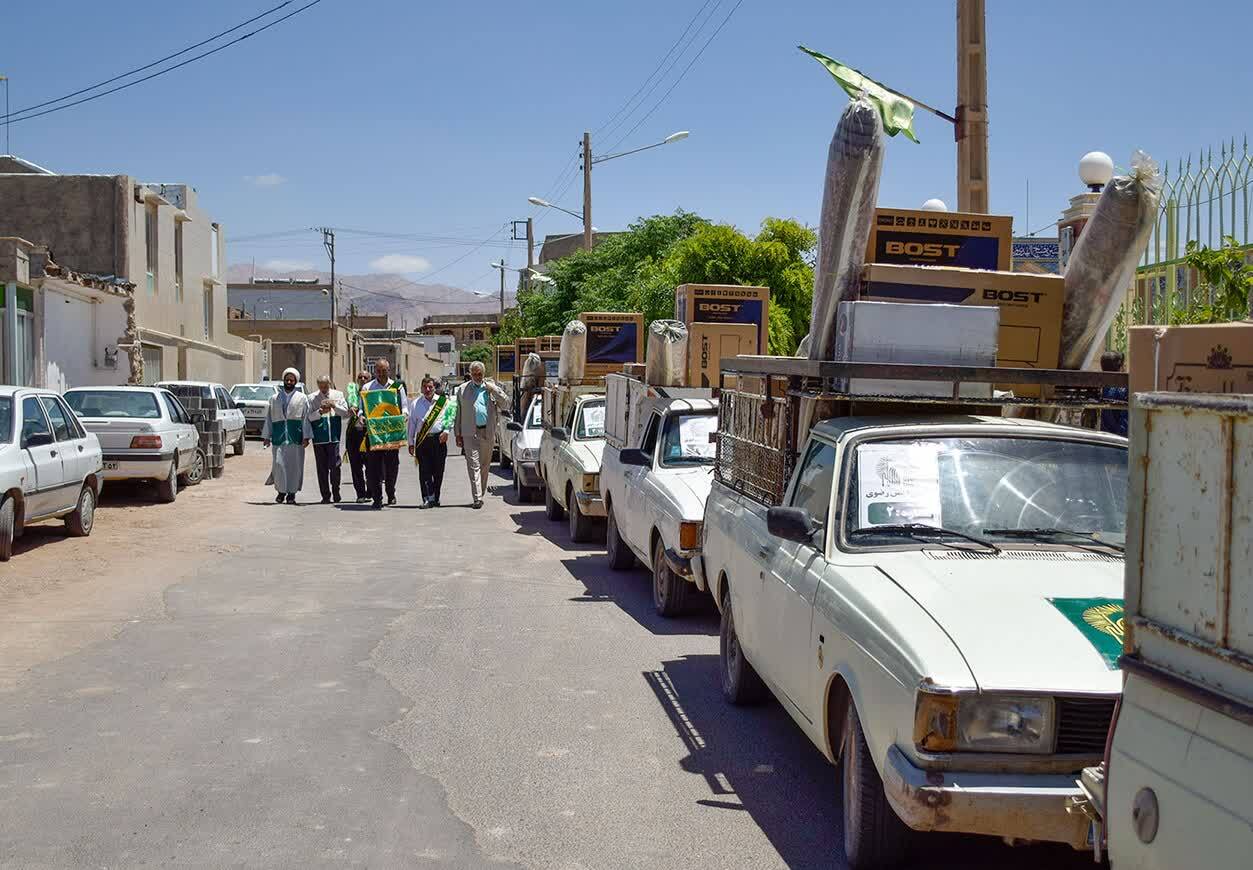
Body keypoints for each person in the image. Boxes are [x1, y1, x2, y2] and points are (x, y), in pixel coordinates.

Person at [453, 361, 508, 509]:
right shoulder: (462, 390)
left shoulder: (490, 389)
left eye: (480, 374)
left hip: (487, 432)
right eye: (475, 374)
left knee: (484, 466)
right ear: (470, 374)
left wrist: (494, 390)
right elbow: (458, 413)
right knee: (474, 465)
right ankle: (477, 497)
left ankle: (480, 493)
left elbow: (505, 403)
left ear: (483, 374)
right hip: (470, 432)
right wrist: (457, 433)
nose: (477, 377)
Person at [358, 359, 409, 509]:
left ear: (389, 370)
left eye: (384, 370)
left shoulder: (397, 387)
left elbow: (404, 406)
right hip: (374, 434)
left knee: (392, 466)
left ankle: (390, 492)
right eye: (378, 371)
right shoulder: (367, 387)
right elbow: (362, 408)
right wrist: (361, 416)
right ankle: (377, 498)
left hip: (392, 433)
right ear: (375, 371)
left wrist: (405, 415)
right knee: (373, 468)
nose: (381, 373)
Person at [261, 367, 312, 504]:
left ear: (295, 381)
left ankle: (291, 494)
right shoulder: (274, 398)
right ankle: (281, 492)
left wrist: (306, 437)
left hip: (295, 437)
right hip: (279, 437)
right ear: (283, 381)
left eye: (292, 380)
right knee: (279, 465)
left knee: (294, 467)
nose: (289, 381)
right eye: (287, 379)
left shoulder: (302, 398)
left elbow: (306, 418)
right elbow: (269, 418)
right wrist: (267, 436)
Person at [408, 376, 456, 508]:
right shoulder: (415, 403)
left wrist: (446, 431)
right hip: (422, 441)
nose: (428, 389)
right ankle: (427, 498)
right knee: (424, 471)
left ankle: (435, 496)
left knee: (438, 471)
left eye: (430, 387)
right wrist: (410, 442)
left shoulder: (443, 402)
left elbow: (449, 418)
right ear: (422, 388)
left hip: (439, 440)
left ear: (434, 387)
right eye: (425, 387)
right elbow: (411, 424)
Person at [307, 375, 351, 504]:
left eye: (325, 386)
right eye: (321, 387)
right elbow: (309, 417)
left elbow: (345, 413)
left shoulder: (338, 395)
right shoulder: (312, 398)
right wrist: (319, 412)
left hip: (334, 437)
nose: (323, 389)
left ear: (329, 384)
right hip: (319, 438)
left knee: (335, 466)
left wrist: (334, 406)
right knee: (322, 469)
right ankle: (325, 495)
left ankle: (336, 491)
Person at [344, 371, 371, 503]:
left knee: (371, 464)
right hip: (353, 433)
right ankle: (360, 493)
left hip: (368, 433)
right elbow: (342, 411)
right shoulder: (351, 394)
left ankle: (370, 491)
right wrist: (348, 410)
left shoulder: (373, 393)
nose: (362, 379)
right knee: (355, 465)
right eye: (360, 377)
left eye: (365, 377)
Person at [1100, 351, 1129, 437]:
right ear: (1120, 367)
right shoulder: (1122, 389)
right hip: (1119, 439)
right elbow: (1124, 422)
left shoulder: (1101, 386)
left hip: (1105, 436)